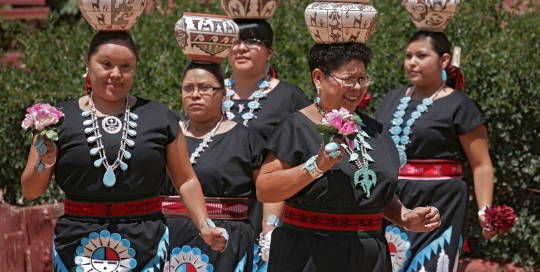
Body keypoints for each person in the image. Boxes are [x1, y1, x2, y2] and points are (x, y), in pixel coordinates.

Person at [20, 32, 227, 272]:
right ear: (88, 64)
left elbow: (185, 179)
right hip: (76, 243)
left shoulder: (160, 117)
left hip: (147, 242)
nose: (116, 74)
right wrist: (44, 162)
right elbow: (31, 191)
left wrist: (205, 224)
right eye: (106, 64)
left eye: (126, 66)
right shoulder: (54, 120)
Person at [255, 42, 441, 272]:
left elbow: (374, 192)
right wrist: (316, 166)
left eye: (362, 79)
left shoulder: (375, 130)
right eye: (349, 79)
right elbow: (265, 188)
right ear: (318, 78)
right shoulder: (297, 127)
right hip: (309, 254)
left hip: (368, 255)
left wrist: (405, 216)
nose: (357, 87)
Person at [375, 31, 496, 272]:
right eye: (408, 56)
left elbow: (481, 164)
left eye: (421, 55)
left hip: (440, 205)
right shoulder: (390, 99)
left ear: (444, 60)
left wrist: (486, 211)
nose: (412, 62)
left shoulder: (461, 106)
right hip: (393, 203)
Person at [161, 61, 266, 271]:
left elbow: (270, 190)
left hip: (225, 240)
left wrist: (269, 229)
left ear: (223, 93)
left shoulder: (246, 139)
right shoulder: (165, 135)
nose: (195, 94)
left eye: (205, 88)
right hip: (168, 237)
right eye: (188, 88)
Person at [224, 19, 312, 258]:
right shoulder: (208, 92)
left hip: (269, 208)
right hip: (214, 208)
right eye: (235, 41)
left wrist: (271, 225)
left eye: (252, 41)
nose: (241, 48)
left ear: (270, 51)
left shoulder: (290, 97)